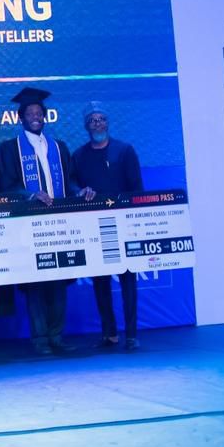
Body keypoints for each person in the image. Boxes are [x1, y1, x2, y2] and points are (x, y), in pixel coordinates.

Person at [0, 88, 88, 355]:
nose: (35, 117)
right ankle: (40, 339)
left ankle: (57, 336)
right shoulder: (9, 149)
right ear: (20, 118)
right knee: (35, 283)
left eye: (39, 113)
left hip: (58, 225)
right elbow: (5, 186)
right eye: (30, 113)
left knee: (58, 280)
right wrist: (30, 194)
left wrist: (79, 190)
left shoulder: (59, 147)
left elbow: (68, 181)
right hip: (28, 227)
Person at [72, 101, 144, 351]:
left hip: (124, 224)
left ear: (108, 122)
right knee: (101, 282)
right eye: (93, 120)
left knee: (128, 280)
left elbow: (137, 189)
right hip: (95, 226)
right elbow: (73, 186)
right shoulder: (79, 156)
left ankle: (132, 334)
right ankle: (109, 333)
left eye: (101, 118)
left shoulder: (125, 151)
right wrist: (81, 191)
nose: (98, 123)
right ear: (86, 125)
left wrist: (135, 220)